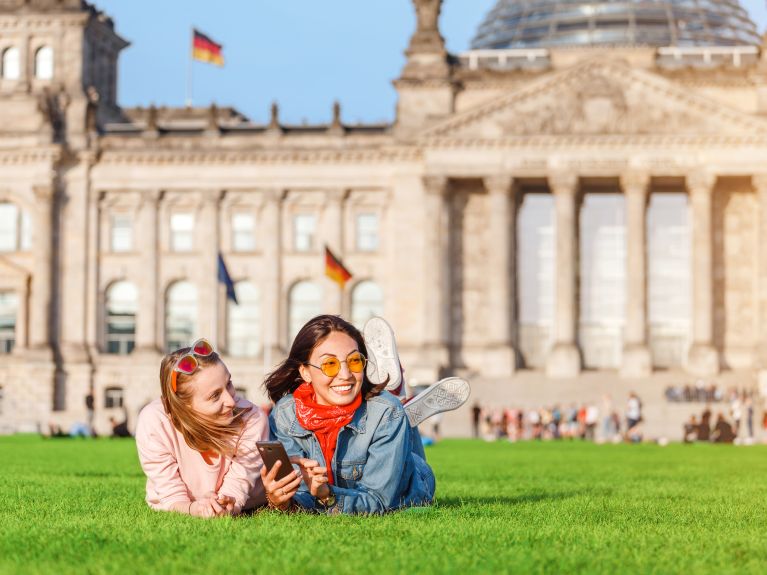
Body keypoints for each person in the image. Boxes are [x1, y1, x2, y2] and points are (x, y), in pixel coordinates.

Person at [266, 315, 469, 515]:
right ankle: (396, 394)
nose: (345, 375)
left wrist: (327, 496)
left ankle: (396, 397)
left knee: (391, 414)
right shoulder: (284, 414)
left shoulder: (384, 412)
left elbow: (379, 500)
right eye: (330, 364)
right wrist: (282, 501)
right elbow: (299, 495)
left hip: (412, 484)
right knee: (394, 412)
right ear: (305, 372)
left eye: (354, 361)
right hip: (387, 418)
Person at [135, 338, 298, 517]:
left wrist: (227, 504)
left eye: (229, 384)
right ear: (182, 406)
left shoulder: (252, 417)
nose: (230, 401)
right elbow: (171, 495)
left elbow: (237, 487)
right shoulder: (154, 422)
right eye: (214, 396)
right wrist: (193, 509)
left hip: (247, 503)